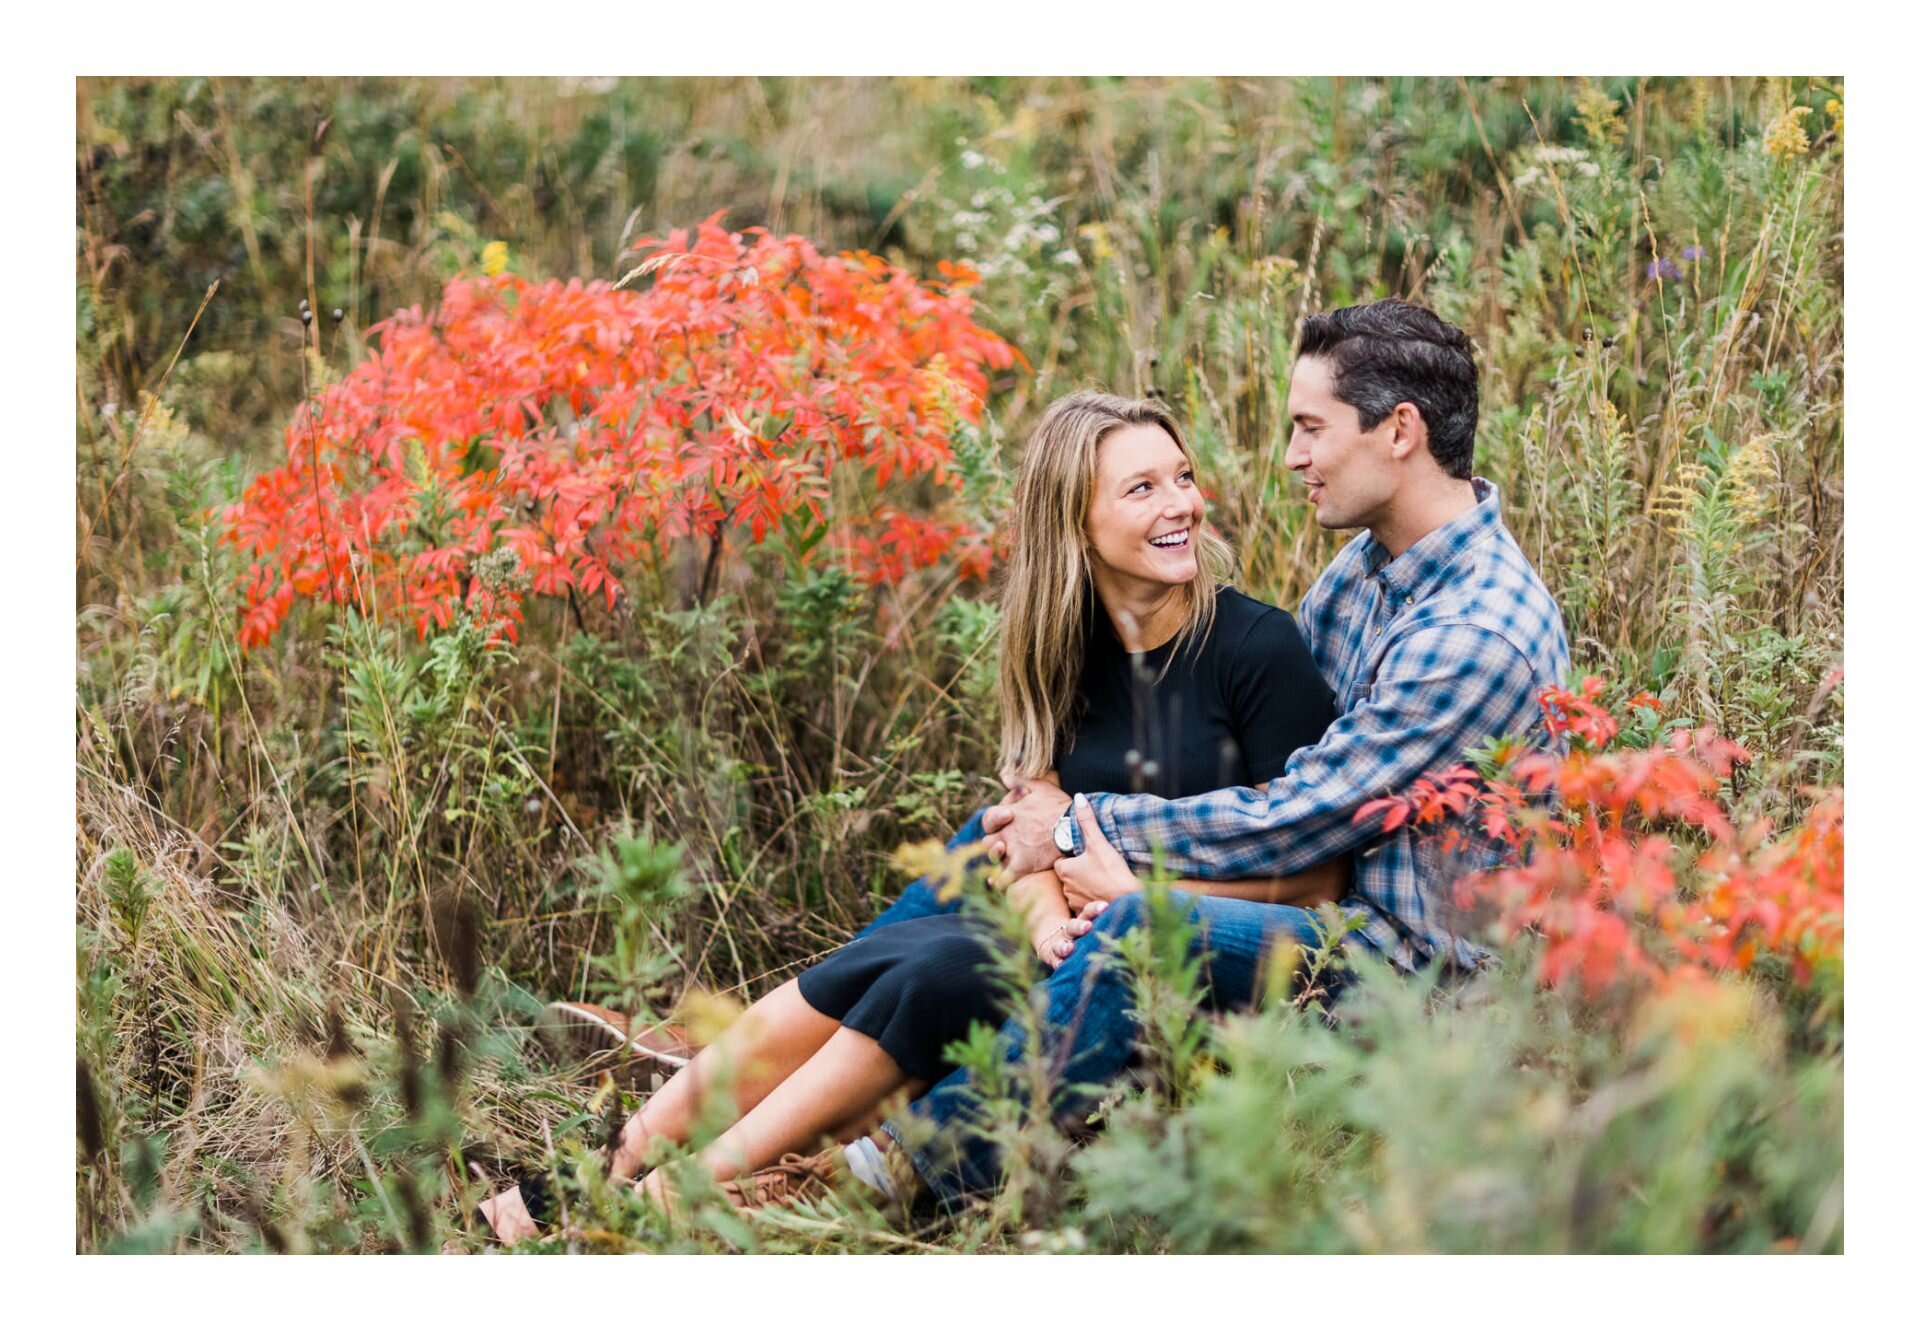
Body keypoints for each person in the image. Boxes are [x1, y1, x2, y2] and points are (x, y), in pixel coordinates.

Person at [723, 297, 1573, 1217]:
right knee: (997, 832)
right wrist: (1065, 841)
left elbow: (1306, 809)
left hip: (1406, 976)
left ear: (1399, 429)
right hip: (1321, 911)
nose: (1291, 457)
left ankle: (886, 1176)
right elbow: (1284, 762)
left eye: (1309, 428)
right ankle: (769, 1070)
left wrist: (1089, 831)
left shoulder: (1475, 631)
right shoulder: (1366, 571)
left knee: (1134, 928)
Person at [478, 390, 1344, 1239]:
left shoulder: (1256, 649)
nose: (1183, 505)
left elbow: (1316, 875)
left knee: (935, 964)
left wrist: (1126, 897)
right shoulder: (1061, 646)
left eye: (1182, 477)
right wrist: (1048, 923)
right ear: (1076, 525)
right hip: (1067, 936)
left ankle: (687, 1184)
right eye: (1142, 488)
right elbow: (1028, 829)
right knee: (921, 956)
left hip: (1167, 961)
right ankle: (611, 1163)